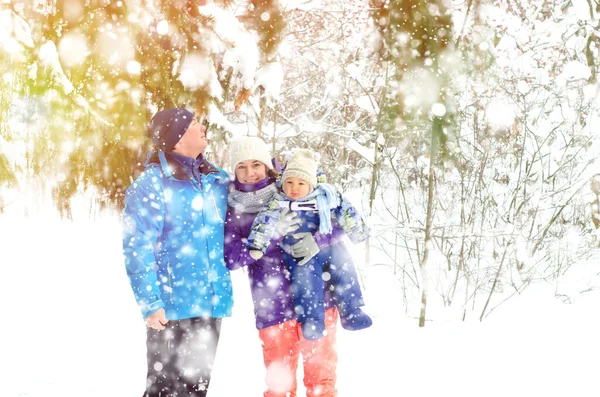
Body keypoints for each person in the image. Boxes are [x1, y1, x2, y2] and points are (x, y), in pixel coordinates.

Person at [224, 137, 365, 397]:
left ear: (267, 165)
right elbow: (232, 258)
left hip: (317, 300)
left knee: (322, 382)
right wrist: (271, 235)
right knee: (279, 387)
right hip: (272, 307)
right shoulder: (233, 206)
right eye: (241, 166)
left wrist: (317, 240)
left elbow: (340, 221)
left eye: (256, 164)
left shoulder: (294, 184)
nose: (249, 172)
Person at [122, 107, 232, 397]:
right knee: (164, 390)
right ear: (178, 136)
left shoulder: (217, 181)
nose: (202, 127)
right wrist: (150, 302)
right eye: (195, 123)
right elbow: (138, 247)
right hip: (172, 308)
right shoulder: (152, 184)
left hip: (209, 303)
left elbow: (250, 209)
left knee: (196, 389)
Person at [246, 148, 372, 340]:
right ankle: (312, 320)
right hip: (299, 249)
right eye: (289, 182)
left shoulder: (326, 196)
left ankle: (352, 311)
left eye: (300, 183)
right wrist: (257, 244)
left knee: (345, 268)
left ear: (311, 184)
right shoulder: (279, 201)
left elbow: (346, 212)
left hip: (330, 247)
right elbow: (264, 221)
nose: (294, 188)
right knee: (305, 280)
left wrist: (358, 230)